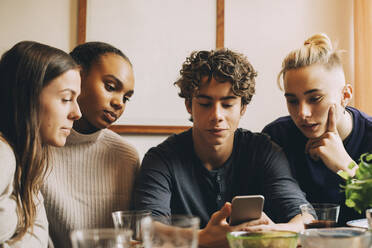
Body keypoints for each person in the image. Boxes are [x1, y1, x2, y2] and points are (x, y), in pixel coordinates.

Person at [134, 49, 310, 248]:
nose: (216, 115)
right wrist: (203, 238)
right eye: (205, 103)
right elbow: (145, 227)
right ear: (189, 105)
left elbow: (305, 217)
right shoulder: (162, 159)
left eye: (227, 104)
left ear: (242, 108)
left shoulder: (264, 151)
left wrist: (272, 231)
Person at [262, 33, 372, 225]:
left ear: (345, 95)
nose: (302, 113)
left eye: (315, 99)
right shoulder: (277, 136)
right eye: (292, 101)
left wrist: (347, 166)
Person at [41, 42, 140, 248]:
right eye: (111, 87)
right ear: (76, 76)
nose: (119, 103)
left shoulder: (127, 156)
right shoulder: (33, 148)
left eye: (126, 98)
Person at [0, 41, 81, 247]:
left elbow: (37, 234)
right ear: (26, 97)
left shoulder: (27, 163)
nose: (77, 113)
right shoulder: (3, 154)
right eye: (66, 99)